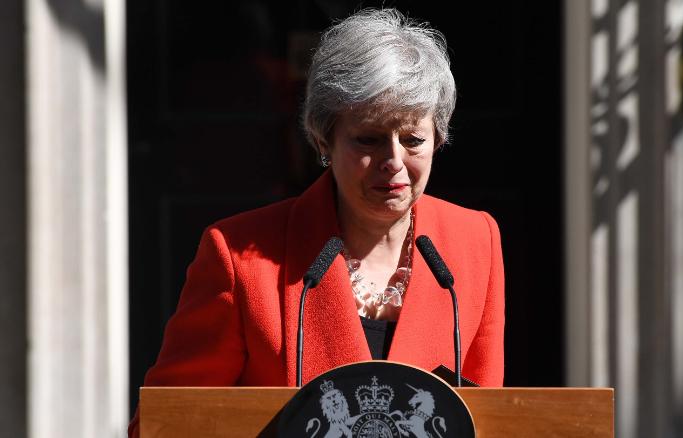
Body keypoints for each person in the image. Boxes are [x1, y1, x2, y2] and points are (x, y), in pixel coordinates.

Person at [128, 8, 504, 436]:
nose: (393, 162)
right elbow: (164, 424)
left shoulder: (476, 242)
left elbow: (489, 417)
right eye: (369, 139)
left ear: (438, 138)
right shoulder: (239, 255)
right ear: (324, 139)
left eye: (413, 139)